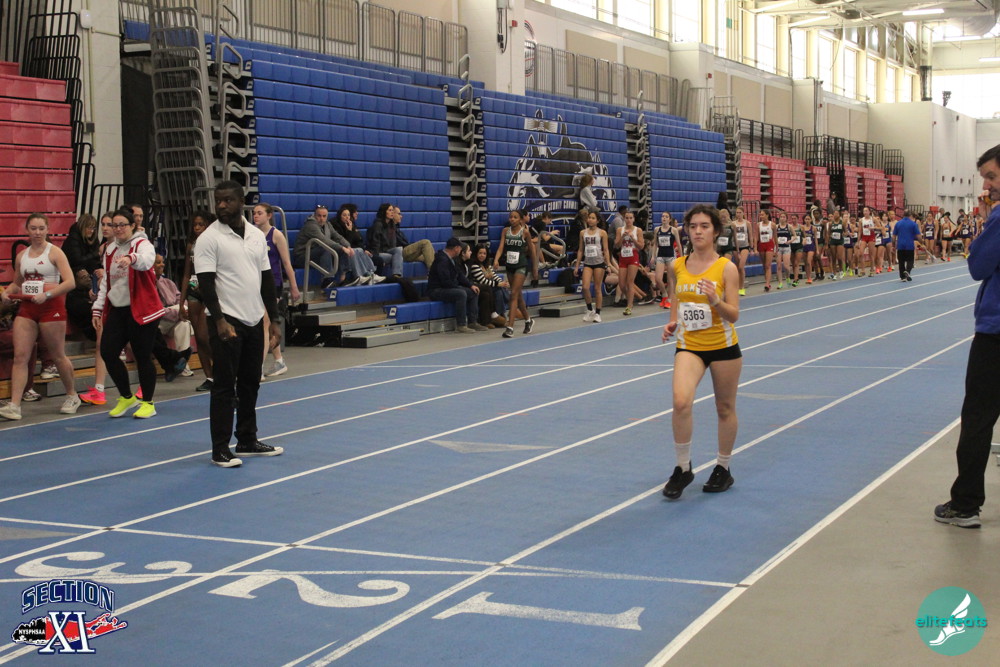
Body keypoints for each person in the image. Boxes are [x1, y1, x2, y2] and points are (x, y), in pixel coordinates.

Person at [194, 181, 283, 468]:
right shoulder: (209, 238)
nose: (221, 205)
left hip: (254, 319)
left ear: (241, 202)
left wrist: (274, 319)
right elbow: (206, 284)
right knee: (223, 386)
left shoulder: (256, 235)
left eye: (228, 200)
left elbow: (266, 279)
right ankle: (220, 448)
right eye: (218, 201)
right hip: (226, 321)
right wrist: (219, 320)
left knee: (249, 383)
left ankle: (246, 439)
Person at [935, 145, 1000, 528]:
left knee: (977, 418)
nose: (986, 186)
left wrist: (987, 222)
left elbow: (978, 265)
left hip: (995, 335)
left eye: (991, 177)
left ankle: (965, 504)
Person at [661, 204, 741, 499]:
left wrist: (715, 301)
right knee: (681, 401)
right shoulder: (677, 265)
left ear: (715, 231)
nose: (698, 231)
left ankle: (723, 467)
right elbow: (676, 297)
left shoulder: (726, 268)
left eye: (704, 226)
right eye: (693, 226)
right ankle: (683, 468)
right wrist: (672, 322)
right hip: (689, 346)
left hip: (722, 346)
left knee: (724, 408)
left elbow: (734, 315)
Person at [91, 208, 182, 419]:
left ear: (132, 226)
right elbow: (106, 282)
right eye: (114, 225)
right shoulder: (110, 249)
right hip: (118, 309)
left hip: (142, 309)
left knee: (142, 356)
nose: (118, 229)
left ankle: (148, 402)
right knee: (108, 352)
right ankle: (126, 397)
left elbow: (146, 261)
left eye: (122, 225)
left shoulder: (142, 244)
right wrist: (98, 307)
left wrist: (131, 258)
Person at [0, 213, 80, 421]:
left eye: (41, 228)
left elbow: (70, 282)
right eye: (33, 229)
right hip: (28, 308)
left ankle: (72, 395)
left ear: (47, 229)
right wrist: (7, 293)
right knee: (20, 356)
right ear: (27, 230)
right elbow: (17, 282)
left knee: (58, 355)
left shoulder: (55, 253)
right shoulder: (22, 256)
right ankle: (15, 405)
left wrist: (47, 294)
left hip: (51, 307)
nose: (37, 233)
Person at [253, 202, 303, 378]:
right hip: (255, 283)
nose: (255, 215)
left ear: (269, 216)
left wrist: (294, 287)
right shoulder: (251, 235)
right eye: (254, 213)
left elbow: (287, 263)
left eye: (259, 213)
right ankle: (279, 361)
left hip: (272, 284)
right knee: (263, 325)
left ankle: (257, 368)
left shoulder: (276, 235)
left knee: (264, 323)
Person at [79, 212, 115, 405]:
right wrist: (97, 289)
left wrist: (106, 276)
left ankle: (144, 386)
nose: (105, 228)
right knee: (101, 344)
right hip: (105, 301)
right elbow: (101, 278)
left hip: (122, 302)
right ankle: (99, 389)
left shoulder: (127, 248)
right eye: (103, 224)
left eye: (110, 224)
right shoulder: (102, 249)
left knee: (133, 345)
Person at [179, 211, 215, 392]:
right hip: (193, 291)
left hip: (209, 290)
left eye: (201, 224)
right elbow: (186, 274)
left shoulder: (214, 243)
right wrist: (181, 301)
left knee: (204, 336)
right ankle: (209, 377)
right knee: (199, 340)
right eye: (195, 225)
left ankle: (223, 369)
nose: (197, 228)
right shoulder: (191, 245)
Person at [428, 238, 485, 334]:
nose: (460, 250)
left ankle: (472, 321)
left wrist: (470, 285)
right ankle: (461, 325)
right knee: (461, 293)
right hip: (436, 290)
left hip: (447, 287)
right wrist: (458, 287)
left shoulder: (452, 259)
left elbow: (460, 275)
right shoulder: (442, 260)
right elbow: (445, 281)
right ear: (456, 248)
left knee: (473, 292)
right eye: (460, 248)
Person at [153, 253, 194, 377]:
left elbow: (181, 299)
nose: (162, 265)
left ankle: (183, 366)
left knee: (184, 324)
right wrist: (178, 312)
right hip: (158, 321)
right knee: (181, 311)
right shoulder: (148, 284)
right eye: (158, 262)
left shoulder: (168, 282)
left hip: (172, 320)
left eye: (163, 262)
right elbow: (157, 310)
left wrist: (182, 310)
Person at [575, 209, 611, 323]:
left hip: (599, 262)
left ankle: (598, 313)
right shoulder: (582, 233)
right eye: (589, 218)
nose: (590, 220)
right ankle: (590, 309)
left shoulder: (602, 233)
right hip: (588, 263)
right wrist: (577, 266)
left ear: (597, 220)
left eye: (593, 218)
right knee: (585, 287)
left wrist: (608, 264)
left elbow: (606, 249)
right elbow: (581, 250)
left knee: (597, 288)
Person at [468, 244, 509, 328]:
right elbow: (482, 281)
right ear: (476, 253)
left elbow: (494, 276)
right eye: (480, 253)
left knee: (500, 290)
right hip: (479, 287)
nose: (482, 255)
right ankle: (497, 315)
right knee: (498, 290)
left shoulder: (486, 265)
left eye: (484, 253)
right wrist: (498, 284)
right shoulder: (474, 265)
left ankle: (497, 315)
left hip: (488, 287)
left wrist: (501, 282)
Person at [615, 210, 644, 315]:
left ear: (633, 219)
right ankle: (631, 298)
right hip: (623, 257)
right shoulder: (620, 230)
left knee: (630, 282)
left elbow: (641, 246)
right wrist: (622, 237)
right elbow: (617, 245)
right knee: (622, 284)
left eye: (630, 218)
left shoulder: (638, 230)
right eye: (627, 218)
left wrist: (632, 238)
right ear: (624, 219)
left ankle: (629, 306)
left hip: (633, 256)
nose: (628, 220)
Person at [653, 211, 681, 308]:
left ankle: (669, 299)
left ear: (669, 219)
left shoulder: (673, 230)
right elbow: (655, 244)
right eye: (662, 216)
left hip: (670, 256)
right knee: (658, 278)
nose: (664, 218)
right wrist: (653, 256)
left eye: (666, 217)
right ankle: (664, 295)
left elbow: (678, 244)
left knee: (670, 280)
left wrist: (681, 257)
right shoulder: (657, 229)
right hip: (660, 255)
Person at [892, 210, 921, 282]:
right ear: (910, 215)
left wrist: (893, 245)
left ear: (903, 215)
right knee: (910, 260)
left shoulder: (898, 223)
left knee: (901, 262)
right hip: (909, 245)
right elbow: (918, 236)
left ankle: (903, 277)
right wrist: (921, 243)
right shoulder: (913, 224)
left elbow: (894, 236)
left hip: (900, 245)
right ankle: (907, 271)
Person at [731, 207, 751, 296]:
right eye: (737, 212)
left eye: (740, 212)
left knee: (741, 266)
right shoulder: (733, 224)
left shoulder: (747, 223)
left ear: (743, 213)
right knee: (737, 267)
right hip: (735, 247)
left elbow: (750, 235)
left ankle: (742, 287)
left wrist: (752, 247)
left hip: (745, 246)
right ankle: (738, 286)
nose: (738, 214)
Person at [757, 210, 775, 292]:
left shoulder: (772, 225)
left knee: (768, 265)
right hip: (761, 244)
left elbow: (775, 237)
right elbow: (756, 237)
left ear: (767, 215)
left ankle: (767, 284)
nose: (761, 216)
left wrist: (776, 248)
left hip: (769, 244)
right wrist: (755, 248)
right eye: (760, 215)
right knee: (764, 265)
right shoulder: (758, 225)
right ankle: (767, 281)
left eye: (763, 215)